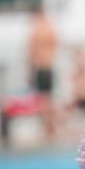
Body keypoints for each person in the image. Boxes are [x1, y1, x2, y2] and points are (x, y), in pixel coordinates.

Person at [27, 7, 58, 139]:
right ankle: (50, 127)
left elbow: (31, 51)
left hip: (40, 67)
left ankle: (47, 127)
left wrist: (29, 70)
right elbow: (56, 44)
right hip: (49, 65)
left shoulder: (36, 30)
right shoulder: (50, 28)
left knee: (43, 99)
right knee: (49, 99)